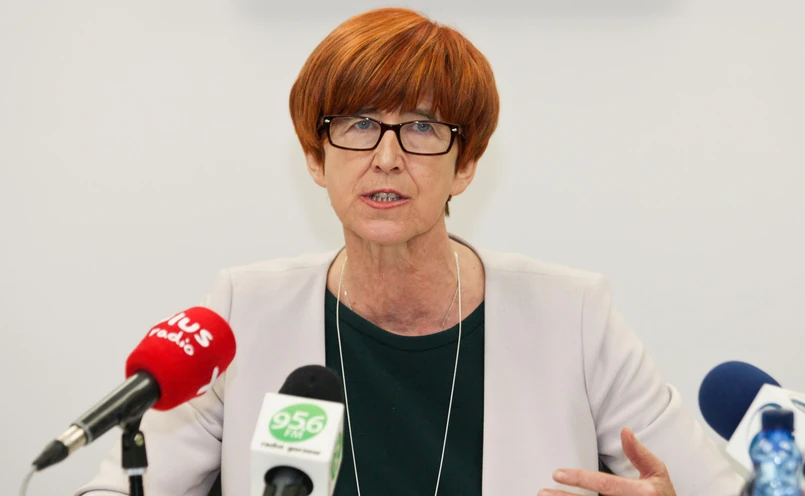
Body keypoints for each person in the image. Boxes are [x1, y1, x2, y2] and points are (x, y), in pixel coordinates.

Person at [76, 7, 743, 496]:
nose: (387, 157)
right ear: (316, 157)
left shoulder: (574, 316)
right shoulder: (243, 312)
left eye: (422, 127)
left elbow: (709, 488)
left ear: (465, 165)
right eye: (359, 124)